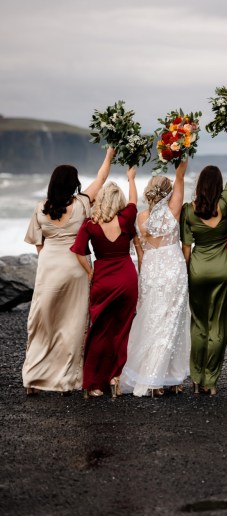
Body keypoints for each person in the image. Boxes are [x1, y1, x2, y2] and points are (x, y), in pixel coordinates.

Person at [22, 147, 115, 395]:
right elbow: (101, 178)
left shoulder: (41, 207)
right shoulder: (82, 203)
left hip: (49, 267)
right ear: (74, 185)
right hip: (76, 267)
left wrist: (50, 264)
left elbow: (38, 244)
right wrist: (109, 155)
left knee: (42, 322)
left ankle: (33, 379)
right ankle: (65, 382)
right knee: (72, 324)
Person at [180, 123, 227, 396]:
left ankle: (195, 378)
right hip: (223, 270)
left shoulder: (189, 210)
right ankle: (211, 382)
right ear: (219, 186)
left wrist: (185, 275)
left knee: (199, 324)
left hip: (198, 271)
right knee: (219, 326)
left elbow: (186, 249)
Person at [120, 160, 190, 397]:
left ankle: (159, 377)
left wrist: (130, 178)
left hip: (150, 267)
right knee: (172, 321)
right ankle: (163, 378)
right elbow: (181, 177)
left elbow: (140, 252)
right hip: (172, 266)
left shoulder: (139, 218)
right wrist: (181, 156)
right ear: (167, 193)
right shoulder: (174, 211)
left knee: (151, 319)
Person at [71, 167, 139, 398]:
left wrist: (89, 272)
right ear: (117, 201)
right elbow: (133, 200)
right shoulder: (126, 218)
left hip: (103, 279)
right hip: (127, 279)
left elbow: (79, 251)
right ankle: (114, 377)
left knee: (99, 330)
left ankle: (93, 385)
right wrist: (131, 178)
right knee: (121, 330)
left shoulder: (90, 225)